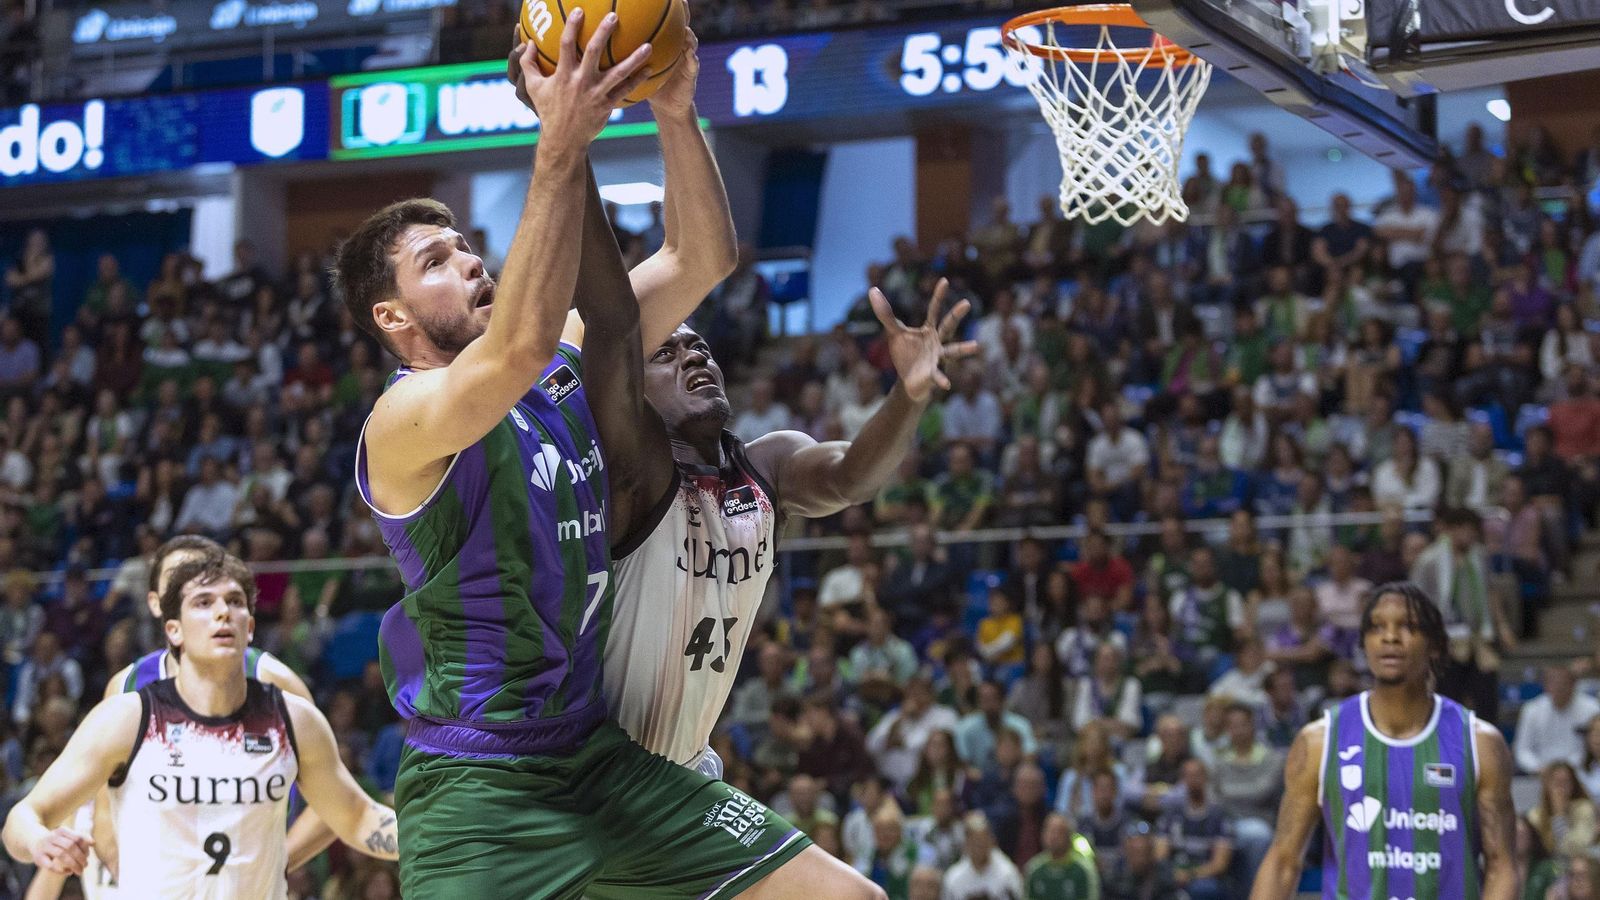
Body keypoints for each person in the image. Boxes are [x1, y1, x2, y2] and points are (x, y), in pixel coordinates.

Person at [344, 20, 850, 897]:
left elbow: (702, 257)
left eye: (467, 245)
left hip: (594, 753)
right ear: (393, 318)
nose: (468, 261)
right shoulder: (403, 421)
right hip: (480, 791)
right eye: (436, 260)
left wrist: (674, 111)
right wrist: (559, 144)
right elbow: (511, 351)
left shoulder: (561, 359)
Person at [0, 554, 399, 898]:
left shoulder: (294, 720)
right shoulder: (128, 718)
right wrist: (41, 841)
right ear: (173, 629)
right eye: (204, 603)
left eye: (235, 602)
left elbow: (358, 818)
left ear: (251, 627)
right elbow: (22, 819)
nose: (223, 612)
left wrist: (446, 831)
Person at [1249, 582, 1518, 899]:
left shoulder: (1480, 743)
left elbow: (1502, 866)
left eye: (1407, 626)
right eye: (1377, 628)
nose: (1390, 637)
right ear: (1364, 643)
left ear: (1433, 644)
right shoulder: (1320, 741)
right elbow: (1283, 862)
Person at [1514, 666, 1600, 775]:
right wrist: (1538, 768)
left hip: (1583, 773)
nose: (1559, 688)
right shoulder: (1532, 710)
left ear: (1573, 684)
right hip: (1540, 773)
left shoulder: (1592, 709)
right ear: (1545, 686)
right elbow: (1522, 750)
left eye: (1563, 683)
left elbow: (1594, 747)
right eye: (1554, 683)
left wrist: (1569, 770)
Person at [942, 812, 1024, 900]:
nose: (979, 847)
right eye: (975, 842)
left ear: (992, 841)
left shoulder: (1007, 873)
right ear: (966, 844)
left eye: (982, 842)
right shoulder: (954, 878)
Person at [1023, 813, 1100, 900]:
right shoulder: (1034, 868)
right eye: (1050, 831)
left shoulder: (1083, 869)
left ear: (1069, 836)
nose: (1053, 837)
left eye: (1059, 832)